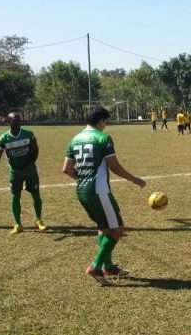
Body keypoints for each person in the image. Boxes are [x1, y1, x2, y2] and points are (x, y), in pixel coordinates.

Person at [62, 107, 146, 285]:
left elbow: (67, 169)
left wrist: (83, 178)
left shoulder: (75, 139)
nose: (106, 125)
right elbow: (114, 167)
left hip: (82, 191)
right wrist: (135, 179)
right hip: (99, 190)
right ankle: (95, 266)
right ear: (100, 121)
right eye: (106, 121)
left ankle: (108, 266)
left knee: (103, 227)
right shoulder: (103, 138)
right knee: (117, 230)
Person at [0, 112, 47, 235]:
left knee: (36, 194)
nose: (18, 122)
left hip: (29, 170)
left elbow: (35, 149)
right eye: (15, 120)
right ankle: (18, 224)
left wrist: (31, 163)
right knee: (15, 196)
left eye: (19, 120)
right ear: (9, 122)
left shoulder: (28, 134)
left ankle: (39, 220)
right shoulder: (4, 138)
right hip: (15, 172)